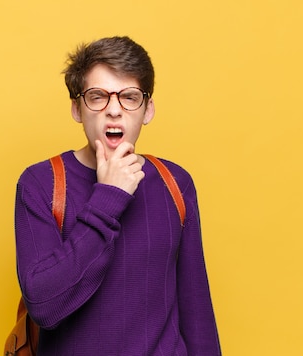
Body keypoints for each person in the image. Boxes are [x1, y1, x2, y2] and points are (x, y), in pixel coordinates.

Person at [14, 36, 222, 355]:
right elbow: (44, 306)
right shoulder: (40, 183)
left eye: (129, 96)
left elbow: (197, 313)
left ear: (147, 109)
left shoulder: (175, 183)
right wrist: (108, 197)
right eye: (98, 96)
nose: (114, 110)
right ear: (77, 109)